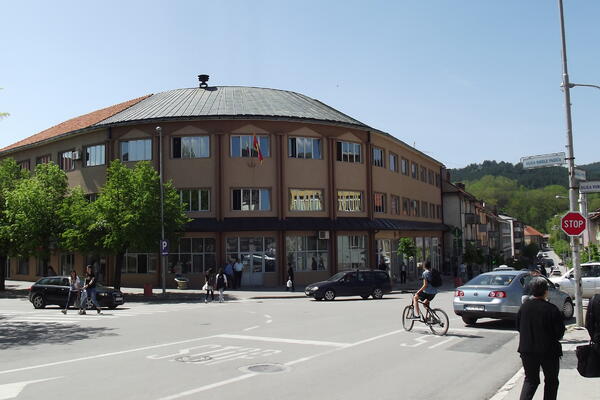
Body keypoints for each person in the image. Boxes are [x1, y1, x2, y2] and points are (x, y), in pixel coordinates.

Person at [516, 278, 565, 400]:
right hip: (549, 351)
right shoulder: (551, 309)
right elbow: (559, 333)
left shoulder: (524, 308)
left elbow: (518, 327)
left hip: (527, 350)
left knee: (530, 380)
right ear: (546, 291)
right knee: (551, 381)